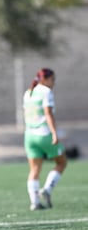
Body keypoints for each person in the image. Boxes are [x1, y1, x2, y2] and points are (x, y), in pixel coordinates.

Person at [23, 68, 67, 211]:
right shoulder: (46, 91)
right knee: (61, 162)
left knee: (34, 169)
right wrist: (54, 133)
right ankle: (47, 189)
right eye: (52, 79)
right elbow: (48, 113)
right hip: (44, 133)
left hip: (29, 135)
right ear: (45, 79)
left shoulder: (28, 92)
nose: (53, 83)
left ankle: (34, 202)